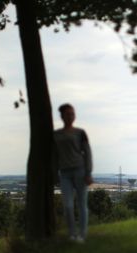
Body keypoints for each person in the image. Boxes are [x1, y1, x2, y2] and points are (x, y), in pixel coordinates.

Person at [54, 103, 93, 243]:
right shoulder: (56, 135)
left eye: (72, 113)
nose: (71, 116)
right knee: (68, 206)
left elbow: (87, 153)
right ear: (62, 116)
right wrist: (54, 174)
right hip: (64, 173)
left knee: (82, 205)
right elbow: (53, 156)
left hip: (80, 171)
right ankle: (72, 234)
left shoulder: (80, 133)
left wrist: (88, 172)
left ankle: (82, 235)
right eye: (68, 113)